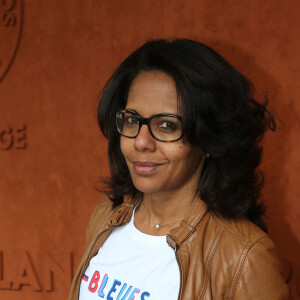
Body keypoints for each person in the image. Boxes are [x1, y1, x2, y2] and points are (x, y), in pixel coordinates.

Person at [69, 39, 289, 300]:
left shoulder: (244, 258)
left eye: (167, 126)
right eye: (132, 120)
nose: (140, 141)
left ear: (209, 139)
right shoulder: (106, 214)